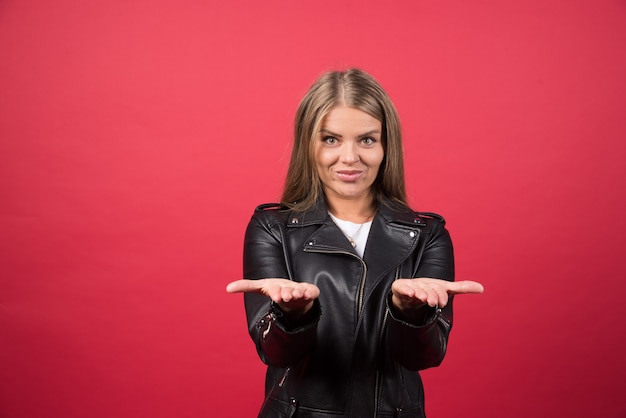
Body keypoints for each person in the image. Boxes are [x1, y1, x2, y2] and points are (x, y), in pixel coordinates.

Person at [226, 68, 484, 417]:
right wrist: (293, 314)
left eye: (366, 140)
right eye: (331, 139)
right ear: (308, 145)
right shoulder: (273, 228)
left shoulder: (428, 234)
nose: (349, 157)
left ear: (385, 146)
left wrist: (411, 312)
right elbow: (274, 353)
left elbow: (425, 357)